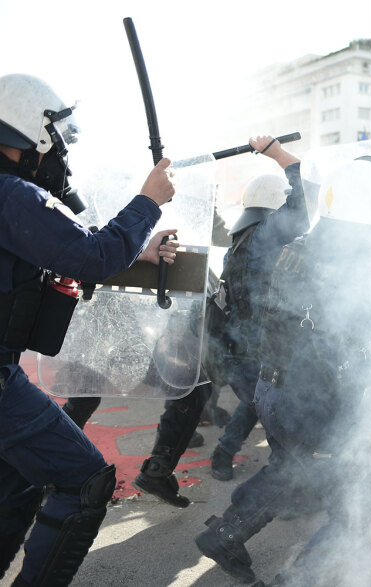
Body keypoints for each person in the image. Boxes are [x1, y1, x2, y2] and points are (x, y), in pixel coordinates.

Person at [0, 73, 175, 585]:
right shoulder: (12, 194)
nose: (59, 153)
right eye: (55, 138)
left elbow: (66, 249)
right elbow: (91, 256)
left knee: (22, 480)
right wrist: (148, 202)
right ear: (31, 134)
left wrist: (134, 247)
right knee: (86, 480)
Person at [195, 155, 371, 583]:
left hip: (274, 391)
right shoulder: (358, 267)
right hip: (314, 400)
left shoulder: (299, 247)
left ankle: (225, 536)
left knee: (289, 473)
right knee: (363, 503)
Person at [207, 136, 309, 482]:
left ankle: (225, 455)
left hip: (241, 350)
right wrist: (279, 155)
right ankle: (284, 491)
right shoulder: (263, 237)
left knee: (256, 406)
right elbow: (300, 206)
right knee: (276, 418)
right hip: (256, 349)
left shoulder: (239, 243)